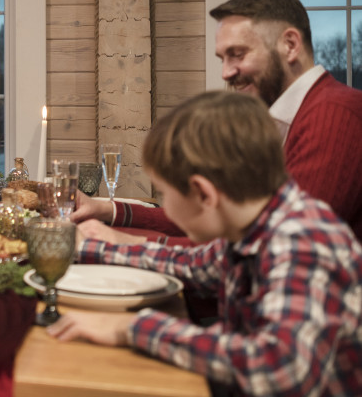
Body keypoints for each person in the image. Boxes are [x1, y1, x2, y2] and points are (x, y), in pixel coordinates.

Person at [49, 91, 362, 396]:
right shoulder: (258, 226)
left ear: (203, 194)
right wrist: (80, 247)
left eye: (165, 194)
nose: (165, 208)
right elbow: (187, 264)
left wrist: (132, 328)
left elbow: (277, 366)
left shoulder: (299, 241)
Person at [72, 0, 362, 244]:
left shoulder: (335, 115)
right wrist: (108, 211)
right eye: (223, 59)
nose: (226, 73)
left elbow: (266, 249)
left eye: (237, 54)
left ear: (290, 45)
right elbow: (214, 219)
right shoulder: (283, 118)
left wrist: (123, 242)